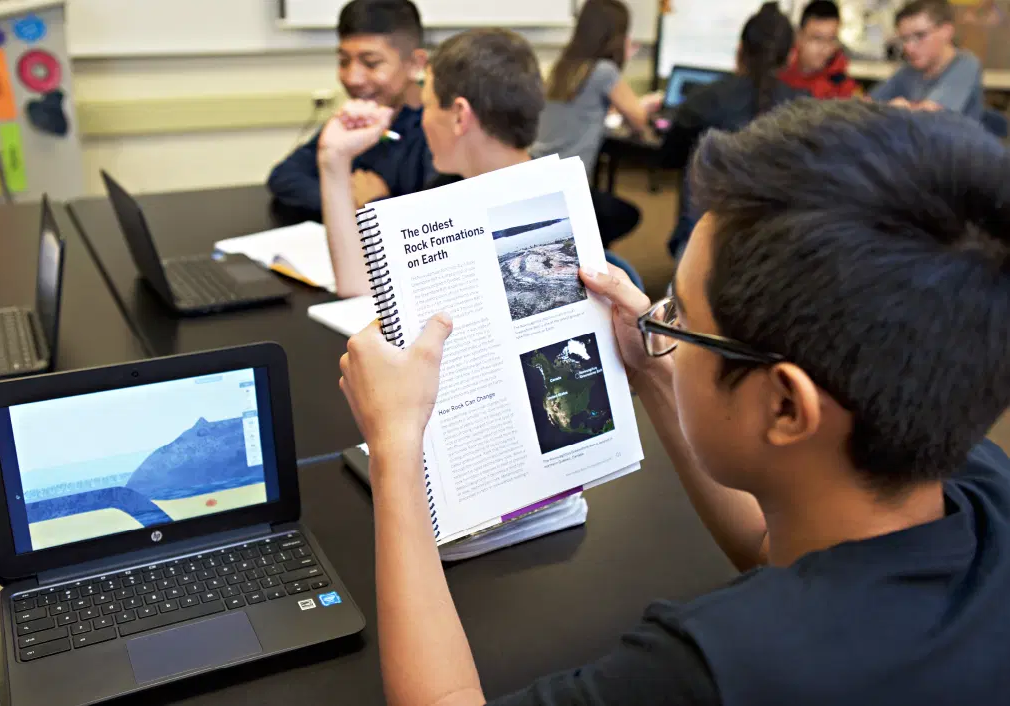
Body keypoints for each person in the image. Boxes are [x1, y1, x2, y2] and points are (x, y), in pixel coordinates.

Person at [339, 98, 1010, 705]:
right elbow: (779, 550)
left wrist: (398, 446)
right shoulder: (976, 482)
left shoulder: (718, 666)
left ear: (785, 407)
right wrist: (654, 370)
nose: (658, 327)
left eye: (677, 317)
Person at [318, 28, 640, 297]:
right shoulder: (450, 190)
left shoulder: (554, 213)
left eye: (428, 106)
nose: (423, 120)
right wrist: (333, 160)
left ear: (459, 115)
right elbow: (362, 288)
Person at [658, 2, 803, 259]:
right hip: (781, 252)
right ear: (791, 56)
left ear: (740, 50)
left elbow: (668, 158)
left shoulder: (703, 100)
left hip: (700, 245)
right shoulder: (805, 110)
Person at [266, 0, 431, 217]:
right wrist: (347, 199)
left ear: (415, 63)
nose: (352, 79)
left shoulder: (437, 126)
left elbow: (438, 224)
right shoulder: (359, 117)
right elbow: (285, 176)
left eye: (371, 63)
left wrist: (376, 204)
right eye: (343, 61)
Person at [531, 0, 660, 249]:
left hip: (540, 176)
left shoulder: (565, 66)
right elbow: (639, 119)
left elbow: (586, 106)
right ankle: (583, 250)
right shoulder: (604, 71)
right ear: (617, 35)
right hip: (567, 188)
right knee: (627, 215)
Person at [871, 0, 983, 119]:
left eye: (920, 35)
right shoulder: (909, 70)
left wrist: (891, 109)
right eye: (904, 39)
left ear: (947, 31)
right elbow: (866, 104)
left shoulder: (966, 64)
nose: (909, 47)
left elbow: (930, 117)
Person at [779, 0, 859, 99]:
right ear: (799, 36)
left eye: (832, 39)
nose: (825, 49)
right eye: (817, 38)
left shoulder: (844, 87)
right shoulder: (776, 71)